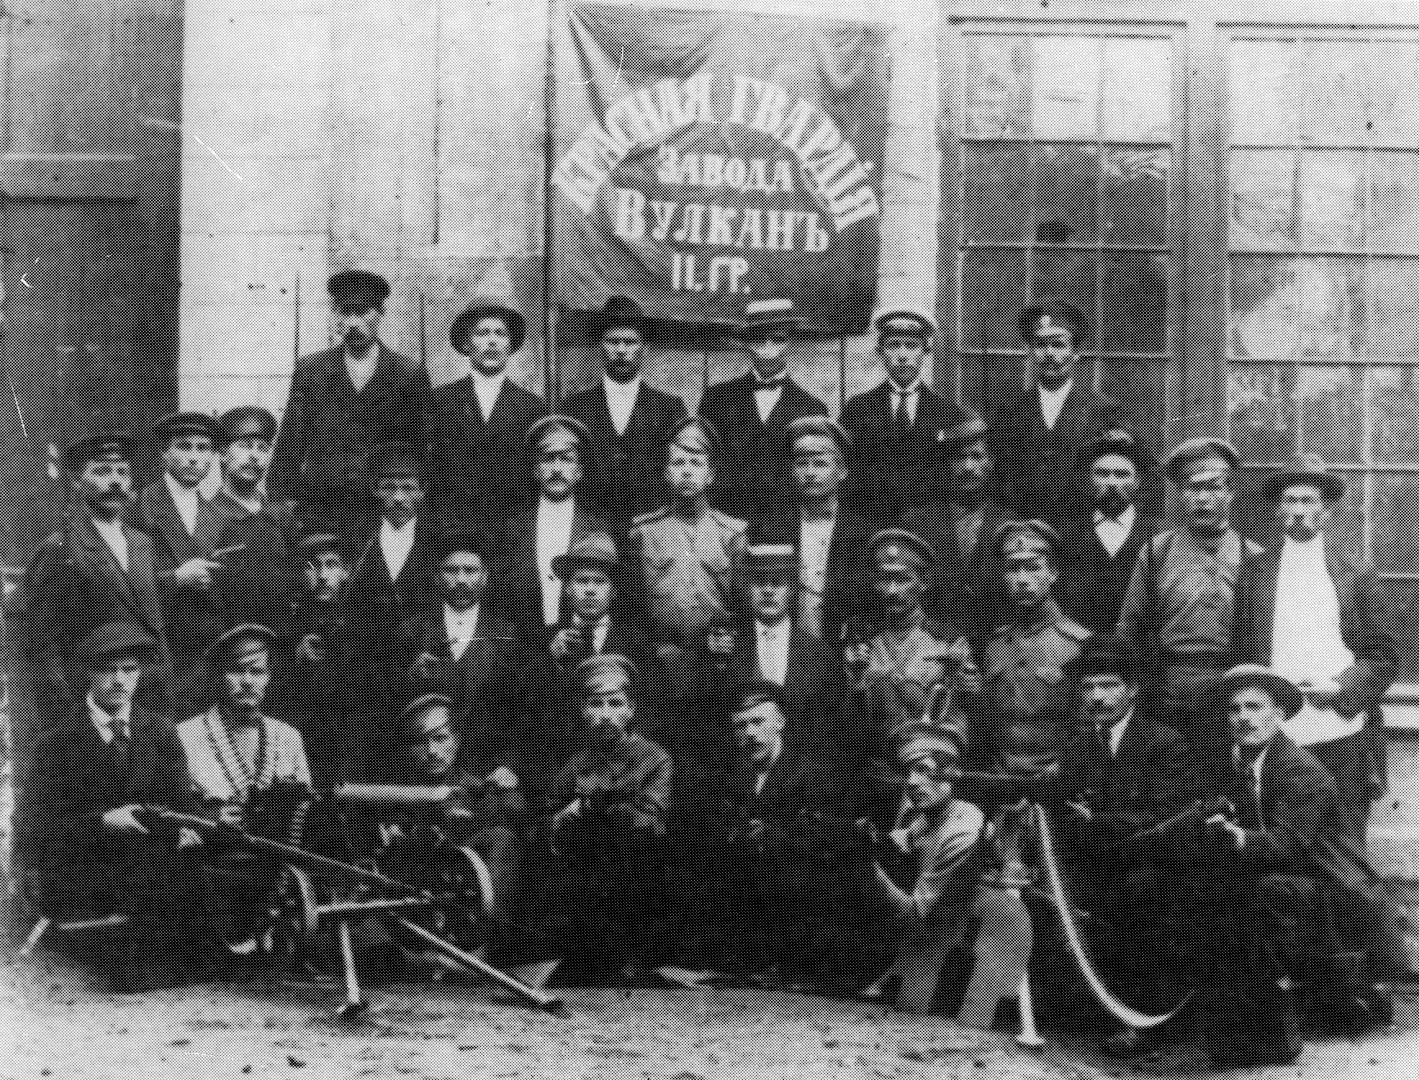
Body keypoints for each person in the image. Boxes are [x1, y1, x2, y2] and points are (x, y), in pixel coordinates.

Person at [1181, 666, 1406, 1067]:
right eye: (1234, 709)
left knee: (1263, 894)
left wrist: (1235, 837)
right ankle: (1232, 1016)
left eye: (1254, 707)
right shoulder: (1238, 761)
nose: (1242, 718)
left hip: (1324, 878)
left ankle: (1290, 1019)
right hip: (1271, 867)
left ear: (1280, 715)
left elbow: (1293, 844)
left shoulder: (1300, 768)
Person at [24, 622, 202, 991]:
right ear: (89, 674)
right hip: (86, 872)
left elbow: (184, 802)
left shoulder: (160, 732)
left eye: (130, 669)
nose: (121, 681)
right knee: (132, 972)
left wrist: (189, 828)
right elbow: (34, 829)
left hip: (153, 867)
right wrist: (102, 821)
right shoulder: (56, 743)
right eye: (109, 669)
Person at [1232, 455, 1398, 846]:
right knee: (1277, 844)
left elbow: (1384, 655)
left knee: (1344, 852)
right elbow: (1241, 650)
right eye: (1290, 501)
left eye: (1309, 500)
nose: (1300, 510)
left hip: (1342, 730)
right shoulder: (1256, 571)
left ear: (1324, 509)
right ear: (1277, 509)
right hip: (1276, 735)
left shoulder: (1353, 573)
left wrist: (1343, 688)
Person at [1048, 634, 1198, 1059]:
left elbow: (1167, 816)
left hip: (1157, 859)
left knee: (1140, 894)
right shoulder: (1078, 745)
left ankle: (1148, 1019)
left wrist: (1098, 820)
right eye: (1089, 688)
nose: (1098, 697)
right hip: (1098, 857)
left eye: (1109, 686)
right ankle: (1089, 1008)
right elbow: (1064, 799)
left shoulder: (1164, 742)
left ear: (1132, 690)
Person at [685, 679, 853, 986]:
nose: (749, 734)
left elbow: (825, 839)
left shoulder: (811, 774)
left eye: (758, 722)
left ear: (780, 723)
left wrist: (771, 836)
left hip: (794, 890)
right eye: (740, 727)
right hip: (744, 888)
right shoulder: (732, 776)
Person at [519, 654, 673, 987]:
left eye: (615, 704)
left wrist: (599, 806)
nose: (605, 715)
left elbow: (652, 822)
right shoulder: (575, 764)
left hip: (628, 872)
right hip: (577, 871)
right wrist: (566, 816)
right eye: (595, 704)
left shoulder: (653, 758)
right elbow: (546, 820)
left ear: (631, 710)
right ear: (583, 712)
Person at [1117, 436, 1263, 784]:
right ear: (1181, 496)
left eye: (1213, 488)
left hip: (1230, 693)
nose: (1203, 499)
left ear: (1230, 493)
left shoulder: (1253, 556)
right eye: (1193, 489)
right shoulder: (1157, 551)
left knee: (1223, 786)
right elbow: (1129, 630)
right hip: (1167, 689)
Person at [17, 431, 171, 726]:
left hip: (151, 697)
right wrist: (68, 718)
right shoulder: (61, 549)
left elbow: (152, 622)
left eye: (122, 472)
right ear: (76, 481)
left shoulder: (141, 542)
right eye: (101, 471)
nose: (115, 481)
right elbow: (45, 647)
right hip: (95, 701)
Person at [178, 624, 314, 953]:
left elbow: (306, 807)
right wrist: (205, 818)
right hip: (215, 868)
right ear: (218, 676)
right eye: (237, 671)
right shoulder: (186, 736)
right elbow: (171, 812)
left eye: (257, 672)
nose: (248, 682)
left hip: (280, 869)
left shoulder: (287, 737)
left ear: (269, 678)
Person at [268, 269, 428, 531]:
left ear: (380, 314)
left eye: (363, 312)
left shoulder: (407, 374)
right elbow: (290, 443)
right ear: (335, 315)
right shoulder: (312, 370)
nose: (353, 323)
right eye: (345, 313)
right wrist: (280, 502)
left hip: (383, 511)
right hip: (320, 509)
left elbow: (424, 446)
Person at [845, 529, 977, 822]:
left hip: (930, 788)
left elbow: (960, 724)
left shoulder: (948, 641)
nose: (891, 590)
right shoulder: (859, 640)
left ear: (923, 583)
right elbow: (847, 724)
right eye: (884, 579)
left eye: (902, 579)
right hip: (872, 785)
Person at [861, 719, 986, 1014]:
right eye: (908, 772)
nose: (912, 782)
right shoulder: (927, 817)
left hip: (950, 944)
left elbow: (918, 916)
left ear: (952, 777)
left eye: (925, 771)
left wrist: (866, 865)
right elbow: (900, 842)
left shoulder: (962, 831)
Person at [399, 528, 534, 788]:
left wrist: (509, 765)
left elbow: (522, 711)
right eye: (452, 570)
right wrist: (410, 678)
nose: (461, 580)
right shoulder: (411, 632)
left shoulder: (507, 635)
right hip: (423, 772)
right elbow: (389, 707)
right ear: (437, 578)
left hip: (487, 775)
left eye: (470, 571)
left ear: (484, 577)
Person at [989, 300, 1127, 532]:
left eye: (1059, 345)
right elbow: (996, 478)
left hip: (1083, 537)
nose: (1050, 354)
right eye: (1041, 345)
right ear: (1031, 352)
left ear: (1075, 353)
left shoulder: (1104, 411)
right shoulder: (1009, 411)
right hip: (1025, 539)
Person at [972, 520, 1090, 783]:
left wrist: (1063, 770)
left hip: (1056, 782)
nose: (1023, 580)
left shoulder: (1078, 645)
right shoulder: (995, 646)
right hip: (998, 778)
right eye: (1013, 569)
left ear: (1053, 573)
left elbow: (1090, 727)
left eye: (1033, 568)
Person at [395, 692, 529, 922]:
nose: (432, 751)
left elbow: (518, 832)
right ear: (407, 750)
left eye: (440, 738)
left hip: (468, 915)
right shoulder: (393, 797)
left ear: (456, 740)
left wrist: (510, 791)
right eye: (419, 742)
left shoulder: (482, 791)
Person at [563, 296, 689, 533]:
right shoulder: (574, 408)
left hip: (652, 535)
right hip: (590, 534)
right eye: (613, 341)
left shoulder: (670, 408)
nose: (621, 350)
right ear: (600, 346)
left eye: (630, 342)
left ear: (645, 348)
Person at [698, 298, 827, 524]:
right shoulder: (716, 399)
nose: (768, 346)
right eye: (758, 338)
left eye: (777, 338)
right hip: (725, 519)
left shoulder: (812, 407)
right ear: (746, 342)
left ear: (790, 341)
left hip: (784, 521)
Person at [425, 301, 548, 530]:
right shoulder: (440, 400)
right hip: (453, 528)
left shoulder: (532, 406)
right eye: (482, 333)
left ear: (510, 346)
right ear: (466, 344)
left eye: (500, 334)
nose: (492, 341)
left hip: (511, 529)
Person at [629, 416, 747, 654]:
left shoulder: (732, 535)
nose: (687, 472)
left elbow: (743, 607)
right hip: (659, 657)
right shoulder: (644, 532)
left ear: (711, 474)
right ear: (666, 472)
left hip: (715, 659)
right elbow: (632, 608)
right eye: (678, 463)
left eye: (696, 463)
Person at [841, 310, 969, 527]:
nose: (903, 355)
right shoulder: (858, 408)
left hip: (929, 527)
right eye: (894, 345)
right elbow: (844, 471)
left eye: (911, 346)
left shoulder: (948, 412)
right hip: (869, 523)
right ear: (880, 351)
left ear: (925, 350)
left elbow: (955, 476)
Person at [726, 527, 842, 755]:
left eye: (777, 582)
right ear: (747, 588)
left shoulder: (820, 654)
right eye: (759, 582)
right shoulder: (727, 648)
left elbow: (832, 728)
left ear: (792, 590)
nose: (768, 591)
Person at [900, 412, 1014, 644]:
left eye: (976, 456)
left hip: (995, 645)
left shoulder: (1009, 523)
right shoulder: (917, 522)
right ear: (948, 465)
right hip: (931, 644)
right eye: (959, 458)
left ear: (991, 462)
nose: (968, 467)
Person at [498, 415, 610, 638]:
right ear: (536, 470)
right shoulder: (511, 529)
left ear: (579, 471)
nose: (557, 468)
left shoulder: (599, 528)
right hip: (524, 648)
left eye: (567, 459)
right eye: (548, 459)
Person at [195, 406, 299, 636]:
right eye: (244, 446)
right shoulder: (206, 517)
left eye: (262, 449)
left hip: (283, 641)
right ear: (222, 453)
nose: (254, 456)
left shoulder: (281, 515)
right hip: (232, 644)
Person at [135, 411, 222, 685]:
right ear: (165, 453)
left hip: (206, 653)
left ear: (212, 457)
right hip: (158, 648)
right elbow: (121, 581)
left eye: (203, 448)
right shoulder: (140, 506)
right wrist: (176, 579)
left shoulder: (218, 515)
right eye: (184, 446)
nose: (194, 457)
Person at [778, 416, 872, 644]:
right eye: (801, 463)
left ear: (842, 471)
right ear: (792, 471)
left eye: (820, 464)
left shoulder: (864, 535)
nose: (810, 473)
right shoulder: (774, 529)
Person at [1055, 431, 1157, 636]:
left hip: (1141, 657)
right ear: (1088, 480)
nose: (1111, 482)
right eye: (1102, 473)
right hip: (1080, 654)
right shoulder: (1066, 535)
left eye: (1122, 475)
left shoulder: (1158, 536)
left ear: (1137, 482)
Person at [279, 529, 350, 785]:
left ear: (345, 572)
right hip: (299, 740)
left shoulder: (361, 623)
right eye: (312, 567)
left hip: (346, 742)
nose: (322, 576)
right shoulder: (285, 625)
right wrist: (294, 658)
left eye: (331, 565)